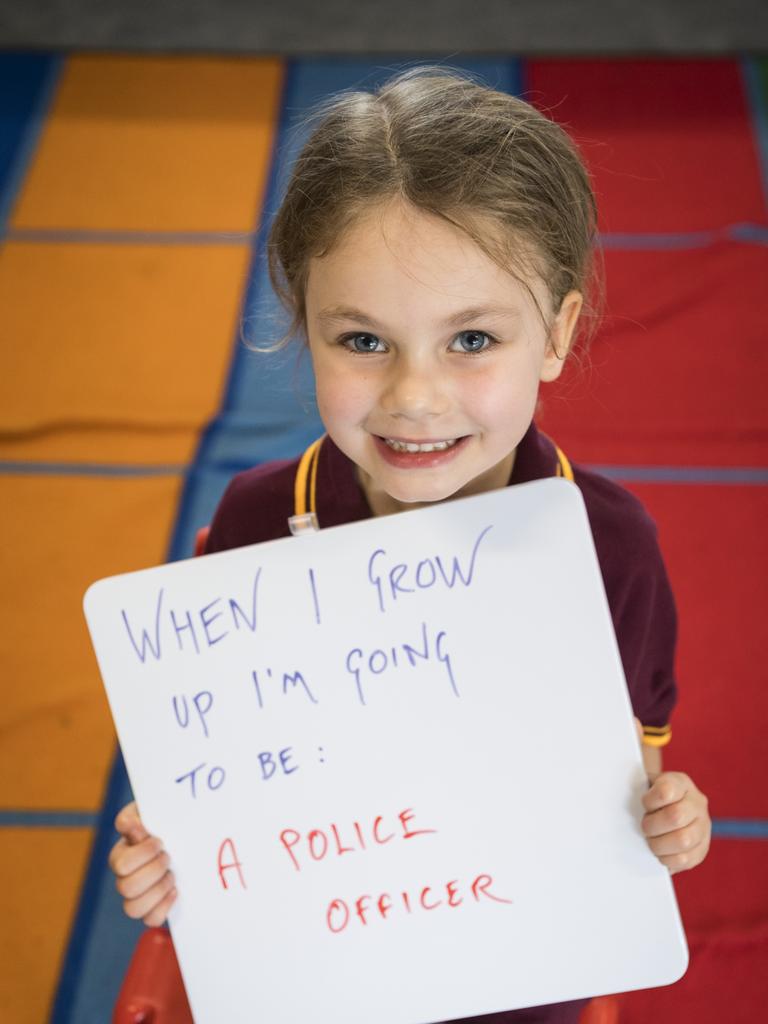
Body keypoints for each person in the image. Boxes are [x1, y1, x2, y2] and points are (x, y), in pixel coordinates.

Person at [108, 66, 711, 1023]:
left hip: (522, 978)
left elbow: (631, 771)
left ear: (554, 336)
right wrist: (166, 849)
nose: (414, 398)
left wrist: (669, 819)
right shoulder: (256, 525)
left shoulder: (612, 549)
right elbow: (230, 787)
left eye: (471, 340)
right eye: (362, 340)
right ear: (304, 326)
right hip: (313, 976)